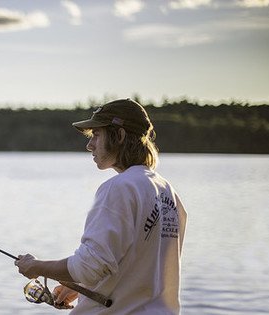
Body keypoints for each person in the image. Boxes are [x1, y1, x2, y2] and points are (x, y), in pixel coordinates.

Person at [15, 98, 187, 314]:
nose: (89, 145)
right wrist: (83, 288)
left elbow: (88, 266)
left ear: (120, 135)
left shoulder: (120, 188)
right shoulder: (168, 192)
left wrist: (36, 267)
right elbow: (136, 266)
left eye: (96, 135)